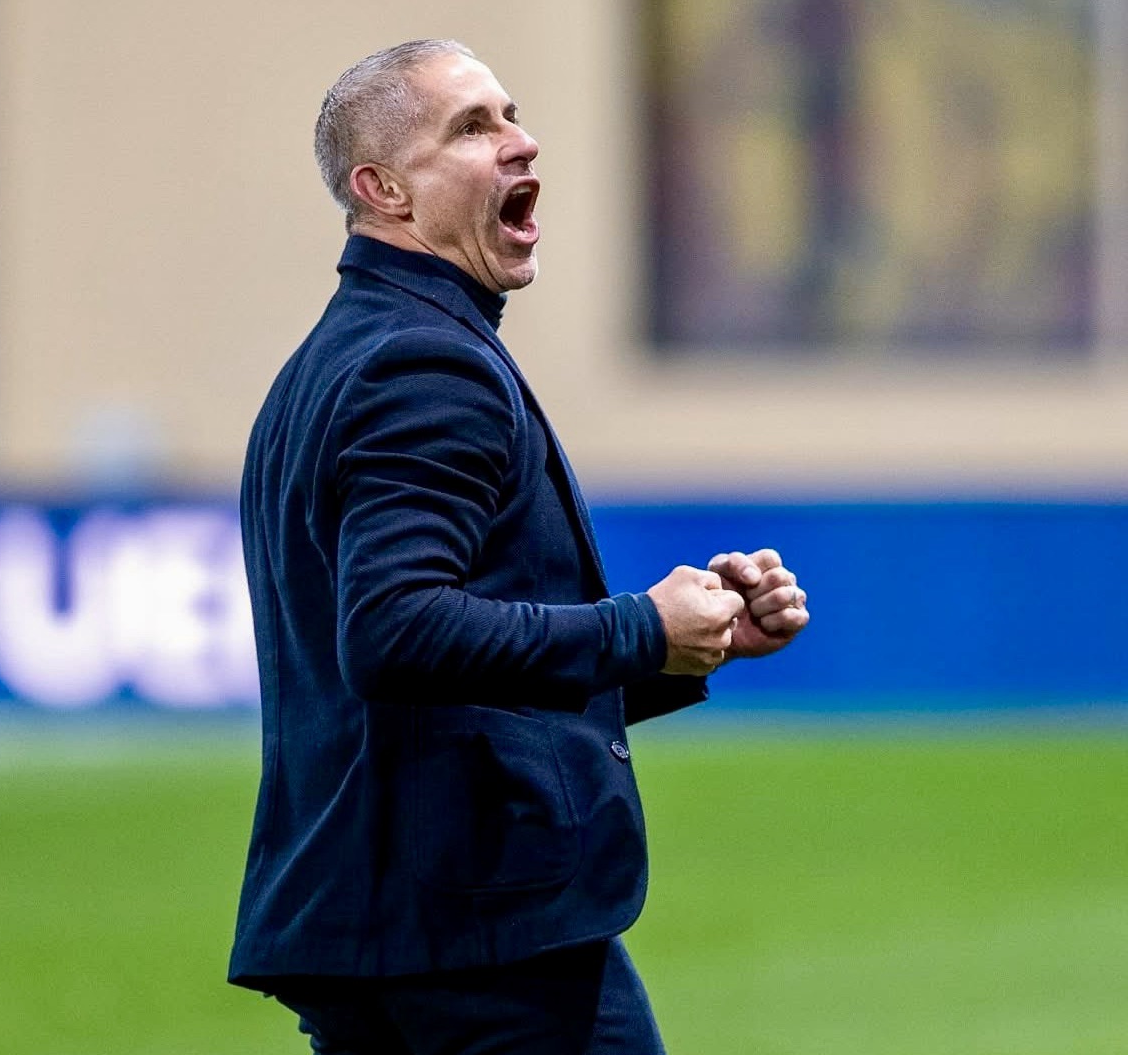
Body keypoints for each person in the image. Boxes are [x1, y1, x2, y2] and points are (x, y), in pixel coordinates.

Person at [229, 38, 810, 1054]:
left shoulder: (336, 358)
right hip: (477, 938)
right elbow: (395, 632)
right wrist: (639, 627)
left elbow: (433, 686)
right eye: (471, 127)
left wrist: (686, 645)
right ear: (383, 190)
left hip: (387, 929)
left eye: (510, 114)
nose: (519, 140)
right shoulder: (424, 362)